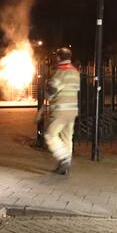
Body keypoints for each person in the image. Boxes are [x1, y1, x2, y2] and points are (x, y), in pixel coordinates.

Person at [43, 47, 80, 175]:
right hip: (72, 111)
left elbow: (51, 91)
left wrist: (46, 95)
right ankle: (65, 166)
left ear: (58, 57)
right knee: (67, 138)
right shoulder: (75, 72)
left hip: (60, 111)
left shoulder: (60, 72)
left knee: (50, 135)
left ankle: (63, 158)